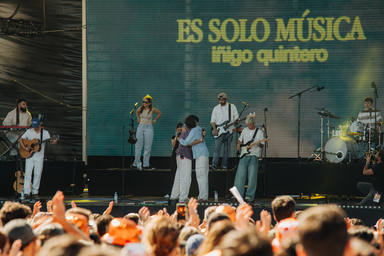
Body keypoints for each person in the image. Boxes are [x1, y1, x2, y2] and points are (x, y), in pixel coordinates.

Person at [19, 118, 56, 198]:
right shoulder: (29, 131)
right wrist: (25, 147)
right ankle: (26, 192)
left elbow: (50, 141)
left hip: (39, 157)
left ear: (40, 125)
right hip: (29, 156)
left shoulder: (45, 133)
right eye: (34, 126)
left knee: (37, 174)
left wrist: (53, 141)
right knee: (28, 174)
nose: (35, 128)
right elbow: (21, 140)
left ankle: (35, 192)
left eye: (36, 126)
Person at [234, 113, 264, 202]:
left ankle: (249, 196)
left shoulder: (259, 132)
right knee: (240, 176)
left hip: (254, 155)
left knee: (252, 177)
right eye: (247, 125)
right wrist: (238, 147)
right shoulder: (244, 130)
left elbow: (262, 145)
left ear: (253, 123)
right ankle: (238, 195)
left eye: (250, 125)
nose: (248, 126)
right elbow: (240, 140)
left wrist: (259, 143)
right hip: (244, 155)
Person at [178, 115, 209, 201]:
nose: (197, 122)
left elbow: (186, 142)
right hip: (204, 154)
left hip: (200, 155)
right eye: (196, 121)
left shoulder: (194, 130)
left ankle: (202, 197)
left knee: (200, 176)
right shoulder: (198, 128)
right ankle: (203, 196)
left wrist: (179, 138)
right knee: (204, 176)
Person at [210, 92, 239, 170]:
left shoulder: (232, 107)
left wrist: (236, 121)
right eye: (219, 99)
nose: (221, 101)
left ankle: (224, 166)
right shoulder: (216, 108)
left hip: (229, 131)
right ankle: (214, 165)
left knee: (226, 150)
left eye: (222, 99)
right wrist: (215, 129)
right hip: (219, 131)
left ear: (226, 99)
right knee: (217, 149)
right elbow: (212, 121)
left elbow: (236, 117)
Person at [133, 94, 162, 170]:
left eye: (146, 102)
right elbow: (137, 112)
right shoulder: (140, 108)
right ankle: (136, 163)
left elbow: (159, 113)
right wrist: (138, 119)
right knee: (138, 146)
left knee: (147, 147)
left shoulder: (152, 109)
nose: (144, 103)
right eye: (143, 102)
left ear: (149, 103)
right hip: (141, 127)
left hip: (149, 127)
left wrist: (155, 120)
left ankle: (146, 164)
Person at [170, 115, 194, 202]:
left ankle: (174, 195)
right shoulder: (188, 131)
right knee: (186, 177)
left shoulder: (185, 130)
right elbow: (188, 143)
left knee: (179, 176)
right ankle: (183, 197)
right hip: (185, 156)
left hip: (180, 156)